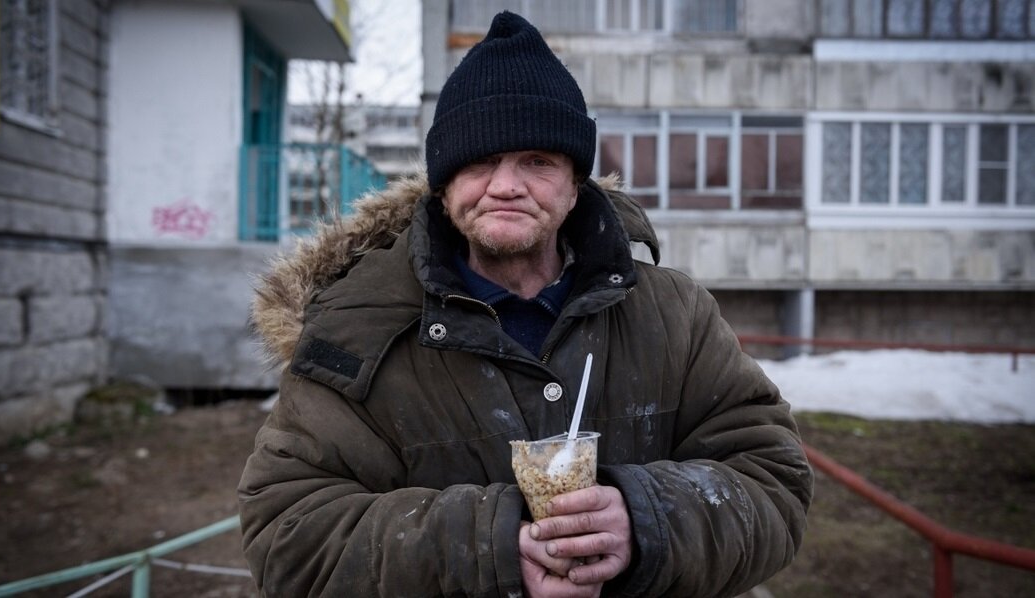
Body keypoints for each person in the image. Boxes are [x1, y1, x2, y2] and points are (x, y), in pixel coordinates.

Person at [238, 11, 812, 598]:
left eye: (537, 161)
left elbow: (772, 480)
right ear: (443, 183)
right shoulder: (354, 329)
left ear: (575, 185)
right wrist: (492, 547)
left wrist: (645, 521)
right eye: (480, 161)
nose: (506, 185)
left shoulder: (672, 313)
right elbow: (288, 536)